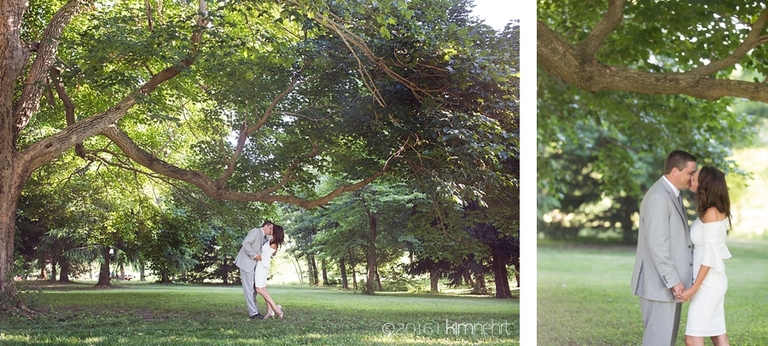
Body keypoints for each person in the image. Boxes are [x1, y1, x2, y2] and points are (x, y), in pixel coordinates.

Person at [631, 150, 697, 346]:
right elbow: (658, 244)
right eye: (690, 173)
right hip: (659, 284)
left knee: (666, 341)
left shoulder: (671, 194)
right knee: (657, 341)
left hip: (667, 285)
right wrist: (673, 281)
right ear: (675, 171)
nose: (692, 178)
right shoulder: (658, 197)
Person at [677, 166, 732, 346]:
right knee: (718, 334)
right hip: (712, 280)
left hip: (708, 284)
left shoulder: (711, 212)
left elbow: (709, 255)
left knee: (693, 338)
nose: (692, 177)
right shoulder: (711, 209)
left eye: (696, 176)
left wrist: (694, 289)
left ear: (705, 184)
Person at [234, 221, 274, 320]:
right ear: (266, 226)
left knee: (254, 290)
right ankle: (253, 313)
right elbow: (245, 243)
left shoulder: (265, 237)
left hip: (253, 265)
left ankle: (255, 311)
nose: (271, 231)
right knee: (249, 290)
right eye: (271, 228)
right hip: (246, 263)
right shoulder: (256, 231)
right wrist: (254, 256)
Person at [254, 224, 285, 319]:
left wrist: (254, 256)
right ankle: (270, 311)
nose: (270, 229)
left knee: (259, 289)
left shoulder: (274, 244)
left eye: (272, 229)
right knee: (263, 289)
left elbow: (265, 256)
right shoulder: (271, 239)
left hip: (262, 266)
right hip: (261, 265)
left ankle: (276, 308)